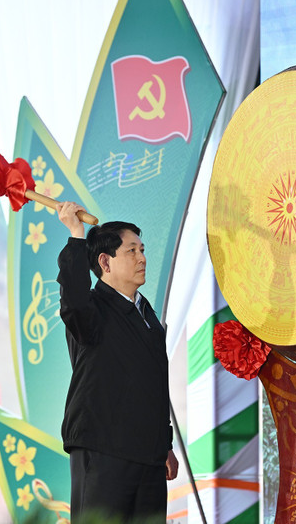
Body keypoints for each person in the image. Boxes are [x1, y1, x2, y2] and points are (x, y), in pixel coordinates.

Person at [55, 201, 179, 523]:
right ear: (104, 262)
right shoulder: (91, 311)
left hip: (148, 457)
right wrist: (76, 234)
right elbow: (73, 298)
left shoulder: (147, 315)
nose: (142, 258)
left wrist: (164, 444)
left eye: (142, 250)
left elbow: (155, 386)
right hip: (103, 452)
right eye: (131, 251)